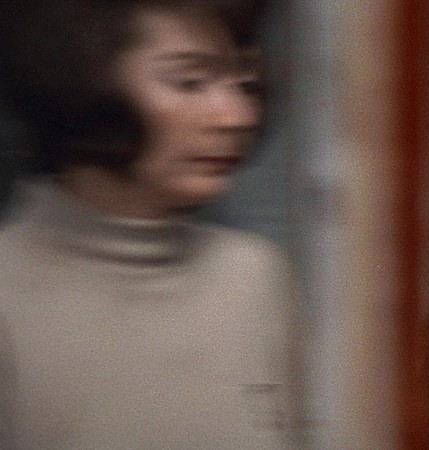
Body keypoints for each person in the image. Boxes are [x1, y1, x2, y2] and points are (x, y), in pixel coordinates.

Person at [0, 0, 302, 448]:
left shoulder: (255, 276)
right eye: (190, 82)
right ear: (85, 84)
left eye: (244, 83)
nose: (238, 117)